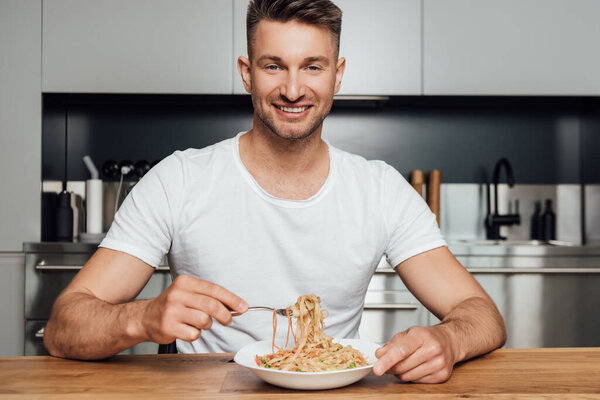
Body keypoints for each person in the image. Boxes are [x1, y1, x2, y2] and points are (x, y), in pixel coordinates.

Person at [44, 0, 505, 383]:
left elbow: (479, 313)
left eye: (312, 66)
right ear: (247, 73)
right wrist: (140, 318)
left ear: (337, 75)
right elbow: (63, 326)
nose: (292, 88)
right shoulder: (179, 179)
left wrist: (448, 339)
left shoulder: (380, 189)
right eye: (273, 66)